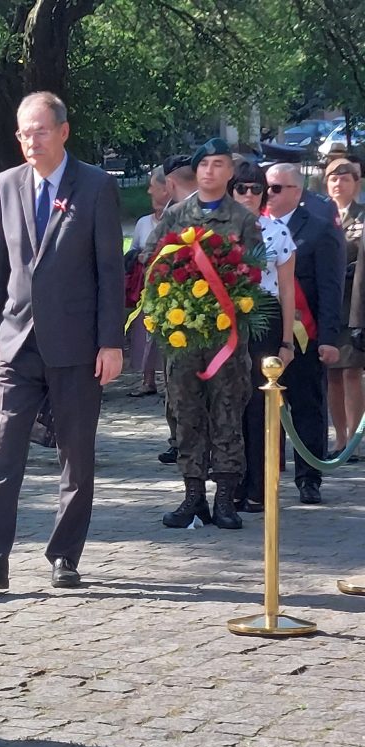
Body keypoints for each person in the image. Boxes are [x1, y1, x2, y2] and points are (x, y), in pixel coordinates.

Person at [0, 91, 124, 591]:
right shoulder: (7, 184)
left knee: (75, 453)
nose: (31, 141)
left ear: (64, 131)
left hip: (76, 342)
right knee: (5, 449)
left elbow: (110, 270)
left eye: (40, 130)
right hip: (16, 340)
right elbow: (0, 264)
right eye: (24, 132)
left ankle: (64, 555)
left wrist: (110, 342)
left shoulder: (95, 186)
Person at [144, 139, 260, 530]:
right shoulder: (177, 214)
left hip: (226, 340)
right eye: (204, 164)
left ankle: (225, 498)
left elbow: (254, 274)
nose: (210, 171)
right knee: (186, 415)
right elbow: (150, 257)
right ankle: (193, 496)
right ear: (196, 172)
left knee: (228, 414)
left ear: (230, 172)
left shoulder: (243, 220)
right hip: (184, 337)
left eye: (219, 164)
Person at [265, 162, 344, 504]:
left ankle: (309, 477)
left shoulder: (319, 230)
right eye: (266, 187)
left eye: (277, 188)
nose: (268, 194)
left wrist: (329, 337)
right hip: (266, 332)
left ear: (296, 193)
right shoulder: (254, 227)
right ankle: (257, 478)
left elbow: (330, 287)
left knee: (306, 406)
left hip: (305, 335)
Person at [228, 161, 296, 511]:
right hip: (226, 320)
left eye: (257, 188)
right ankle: (230, 486)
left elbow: (287, 291)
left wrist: (286, 342)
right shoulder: (218, 231)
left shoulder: (278, 232)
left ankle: (259, 487)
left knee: (259, 406)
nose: (249, 195)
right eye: (242, 188)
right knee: (229, 406)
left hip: (264, 319)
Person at [155, 154, 197, 465]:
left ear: (170, 182)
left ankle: (190, 442)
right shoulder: (169, 213)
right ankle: (179, 439)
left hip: (200, 312)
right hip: (172, 314)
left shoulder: (204, 211)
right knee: (174, 382)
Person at [324, 158, 365, 460]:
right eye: (334, 179)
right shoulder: (320, 217)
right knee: (332, 375)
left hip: (355, 304)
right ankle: (338, 438)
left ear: (356, 183)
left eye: (346, 179)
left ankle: (354, 438)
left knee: (352, 372)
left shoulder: (362, 217)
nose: (339, 184)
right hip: (327, 304)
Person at [128, 164, 172, 396]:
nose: (149, 192)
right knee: (144, 332)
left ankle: (168, 381)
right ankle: (146, 380)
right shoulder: (143, 223)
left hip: (170, 286)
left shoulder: (178, 217)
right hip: (146, 286)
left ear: (167, 189)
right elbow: (133, 250)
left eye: (153, 187)